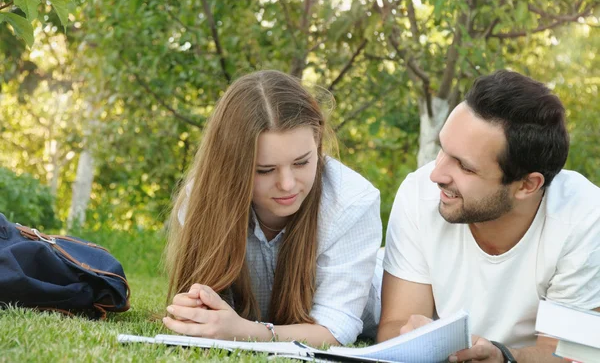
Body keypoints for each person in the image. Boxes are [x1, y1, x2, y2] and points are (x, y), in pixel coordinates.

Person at [378, 70, 600, 362]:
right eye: (443, 150)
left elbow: (565, 354)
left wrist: (503, 356)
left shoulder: (583, 217)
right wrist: (418, 339)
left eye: (465, 168)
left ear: (527, 185)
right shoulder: (419, 195)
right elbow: (396, 325)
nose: (437, 174)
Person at [162, 70, 382, 347]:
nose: (288, 185)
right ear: (231, 165)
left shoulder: (352, 201)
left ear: (318, 142)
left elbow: (336, 330)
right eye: (265, 170)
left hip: (381, 293)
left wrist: (246, 332)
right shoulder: (203, 199)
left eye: (302, 163)